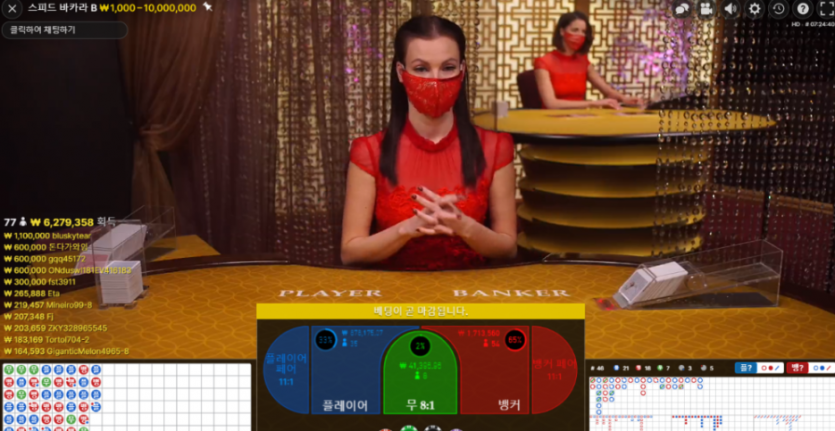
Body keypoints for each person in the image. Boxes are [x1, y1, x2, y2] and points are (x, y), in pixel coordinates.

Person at [341, 16, 517, 271]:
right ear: (401, 73)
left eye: (447, 67)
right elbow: (350, 252)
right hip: (394, 291)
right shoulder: (369, 151)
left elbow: (508, 248)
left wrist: (463, 226)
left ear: (462, 70)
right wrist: (408, 229)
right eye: (421, 69)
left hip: (469, 290)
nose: (435, 80)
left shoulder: (496, 147)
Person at [534, 11, 645, 109]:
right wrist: (592, 104)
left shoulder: (583, 62)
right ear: (562, 31)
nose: (580, 35)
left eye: (583, 31)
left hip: (580, 118)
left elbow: (608, 91)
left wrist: (625, 99)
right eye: (575, 30)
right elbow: (551, 104)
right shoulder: (543, 62)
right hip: (552, 119)